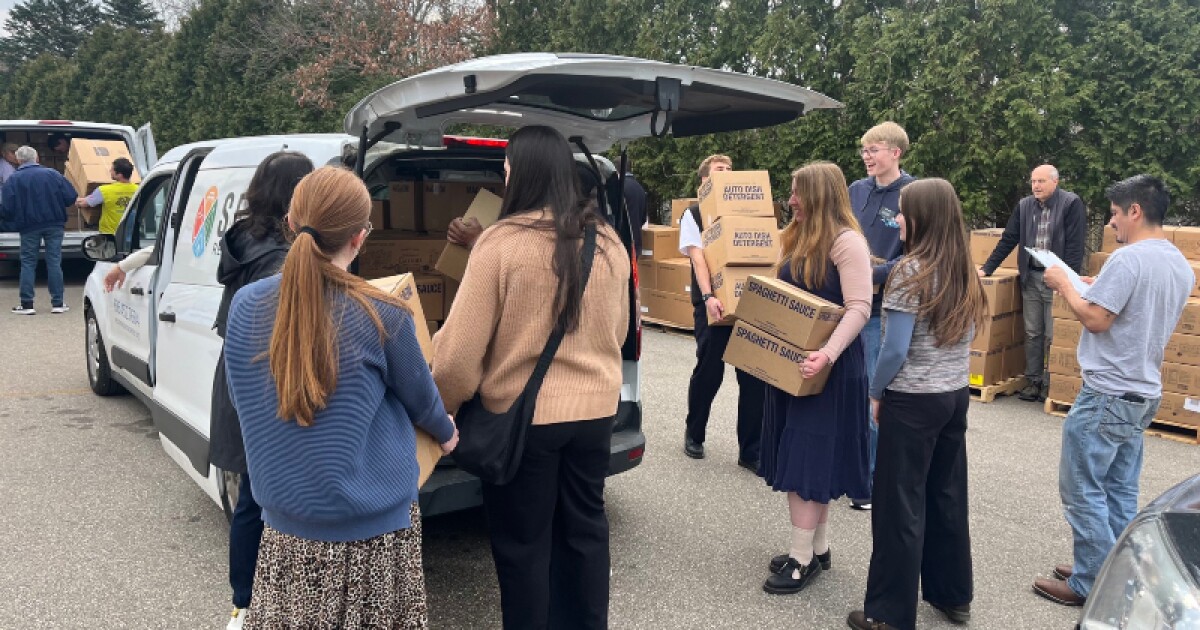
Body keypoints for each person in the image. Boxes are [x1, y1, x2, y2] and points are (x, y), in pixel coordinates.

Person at [223, 166, 458, 629]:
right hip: (375, 534)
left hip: (286, 531)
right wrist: (448, 435)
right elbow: (422, 399)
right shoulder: (382, 312)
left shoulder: (246, 305)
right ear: (359, 237)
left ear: (291, 224)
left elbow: (242, 398)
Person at [432, 125, 630, 629]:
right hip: (596, 416)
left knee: (524, 547)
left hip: (524, 423)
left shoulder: (501, 243)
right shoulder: (608, 240)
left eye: (506, 168)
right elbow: (622, 330)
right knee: (585, 534)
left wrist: (440, 407)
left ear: (519, 173)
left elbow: (457, 356)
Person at [1032, 175, 1194, 608]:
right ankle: (1116, 569)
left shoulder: (1128, 259)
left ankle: (1089, 583)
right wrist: (1087, 282)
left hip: (1107, 392)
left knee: (1082, 487)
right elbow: (1131, 309)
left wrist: (1064, 284)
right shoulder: (1177, 262)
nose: (1112, 222)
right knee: (1120, 489)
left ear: (1135, 211)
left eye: (1116, 213)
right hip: (1142, 390)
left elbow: (1098, 319)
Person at [847, 178, 986, 630]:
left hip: (911, 400)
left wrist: (875, 392)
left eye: (903, 211)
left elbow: (894, 349)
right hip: (952, 396)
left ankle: (886, 615)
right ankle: (953, 595)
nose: (897, 219)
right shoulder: (964, 266)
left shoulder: (912, 270)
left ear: (923, 217)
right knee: (946, 495)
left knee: (898, 506)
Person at [208, 152, 314, 630]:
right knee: (262, 497)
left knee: (254, 495)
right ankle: (253, 603)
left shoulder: (246, 238)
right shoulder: (282, 256)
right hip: (269, 382)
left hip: (238, 378)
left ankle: (243, 601)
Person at [760, 162, 872, 595]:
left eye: (797, 193)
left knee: (809, 456)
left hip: (829, 368)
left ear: (820, 195)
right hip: (796, 367)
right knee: (809, 455)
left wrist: (826, 355)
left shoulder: (847, 242)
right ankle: (818, 548)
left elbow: (859, 307)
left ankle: (800, 559)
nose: (790, 200)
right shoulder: (798, 236)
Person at [678, 154, 765, 468]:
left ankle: (751, 451)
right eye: (719, 170)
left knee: (754, 378)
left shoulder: (747, 213)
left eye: (730, 170)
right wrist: (708, 296)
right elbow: (698, 259)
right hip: (712, 305)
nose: (727, 173)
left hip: (748, 305)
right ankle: (695, 433)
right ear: (704, 180)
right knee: (709, 372)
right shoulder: (693, 214)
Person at [847, 121, 916, 511]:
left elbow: (915, 256)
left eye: (874, 149)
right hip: (846, 304)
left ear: (896, 153)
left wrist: (872, 274)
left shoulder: (914, 193)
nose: (867, 157)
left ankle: (868, 481)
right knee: (844, 388)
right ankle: (849, 468)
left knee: (872, 392)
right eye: (864, 150)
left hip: (880, 310)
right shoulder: (856, 190)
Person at [978, 164, 1087, 402]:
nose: (1036, 186)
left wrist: (1067, 280)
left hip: (1057, 279)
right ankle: (1032, 380)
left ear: (1055, 182)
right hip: (1031, 276)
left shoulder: (1070, 204)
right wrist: (987, 268)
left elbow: (1075, 246)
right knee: (1032, 331)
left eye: (1041, 181)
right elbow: (1009, 239)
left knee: (1053, 333)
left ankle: (1051, 382)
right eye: (1033, 181)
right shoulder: (1025, 206)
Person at [0, 146, 77, 315]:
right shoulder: (53, 174)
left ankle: (27, 305)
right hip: (54, 224)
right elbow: (71, 196)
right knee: (54, 261)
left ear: (19, 160)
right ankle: (58, 303)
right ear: (37, 159)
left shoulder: (13, 179)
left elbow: (6, 208)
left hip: (28, 226)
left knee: (28, 262)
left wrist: (15, 218)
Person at [76, 158, 139, 234]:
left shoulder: (105, 190)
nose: (110, 171)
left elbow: (84, 203)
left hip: (109, 234)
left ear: (119, 175)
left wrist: (74, 199)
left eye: (112, 170)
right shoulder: (138, 189)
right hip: (131, 233)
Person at [623, 163, 647, 252]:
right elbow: (644, 218)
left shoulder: (619, 187)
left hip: (623, 241)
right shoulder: (640, 188)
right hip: (636, 240)